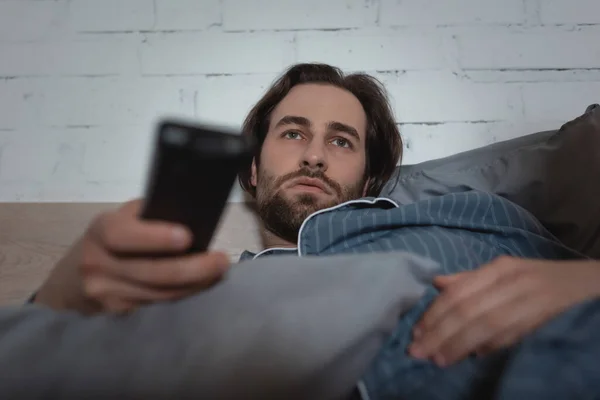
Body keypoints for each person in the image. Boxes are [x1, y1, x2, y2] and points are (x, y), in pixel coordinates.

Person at [32, 63, 600, 399]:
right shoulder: (204, 289)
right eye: (293, 134)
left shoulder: (474, 212)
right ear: (253, 170)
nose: (314, 158)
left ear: (369, 174)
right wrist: (59, 295)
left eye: (340, 140)